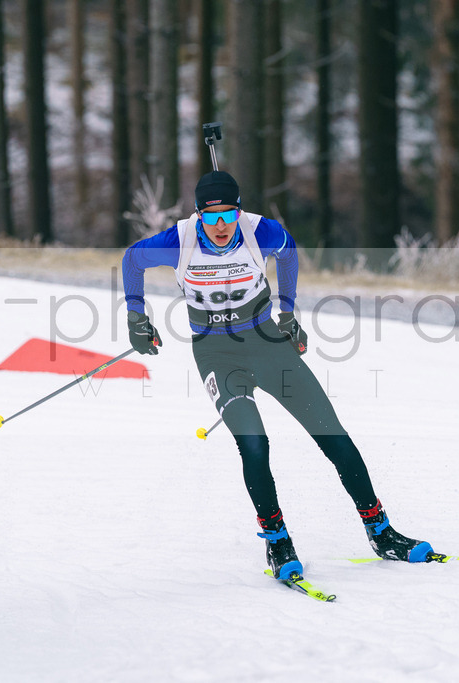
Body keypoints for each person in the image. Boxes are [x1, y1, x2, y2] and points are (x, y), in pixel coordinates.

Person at [121, 170, 433, 580]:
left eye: (228, 215)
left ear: (239, 211)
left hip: (266, 343)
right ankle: (277, 542)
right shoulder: (179, 241)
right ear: (198, 215)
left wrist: (287, 312)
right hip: (216, 354)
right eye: (210, 216)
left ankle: (381, 531)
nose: (220, 225)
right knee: (254, 443)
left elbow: (288, 253)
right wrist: (136, 316)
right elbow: (132, 260)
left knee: (332, 434)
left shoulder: (261, 232)